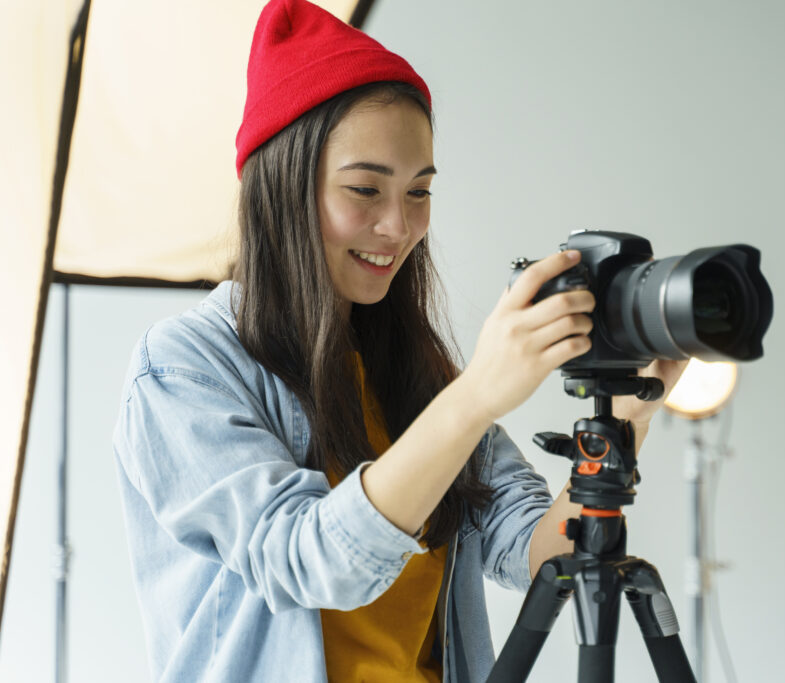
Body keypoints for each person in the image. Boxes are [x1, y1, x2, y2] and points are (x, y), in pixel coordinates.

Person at [112, 1, 684, 681]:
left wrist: (631, 413)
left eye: (419, 191)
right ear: (282, 189)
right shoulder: (183, 369)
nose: (398, 225)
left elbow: (535, 553)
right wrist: (475, 394)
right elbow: (309, 562)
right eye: (365, 189)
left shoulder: (415, 374)